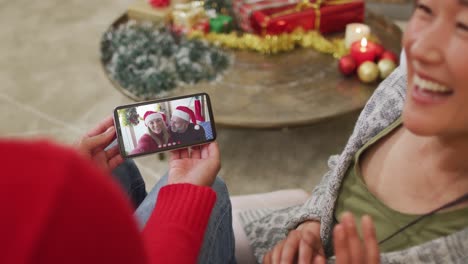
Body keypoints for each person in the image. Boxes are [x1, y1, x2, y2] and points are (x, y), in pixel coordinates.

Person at [239, 1, 468, 263]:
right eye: (425, 10)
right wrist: (310, 227)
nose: (420, 48)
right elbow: (340, 172)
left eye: (463, 27)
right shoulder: (401, 89)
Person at [0, 116, 236, 263]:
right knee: (211, 189)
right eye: (152, 122)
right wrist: (183, 200)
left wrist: (75, 183)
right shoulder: (148, 138)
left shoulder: (181, 130)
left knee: (114, 163)